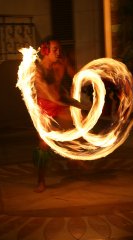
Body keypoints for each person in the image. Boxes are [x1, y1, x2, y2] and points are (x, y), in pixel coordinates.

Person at [33, 36, 88, 192]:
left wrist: (67, 64)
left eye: (59, 49)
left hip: (59, 105)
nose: (58, 52)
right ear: (45, 50)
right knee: (43, 146)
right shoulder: (38, 70)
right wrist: (69, 102)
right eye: (54, 49)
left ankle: (72, 159)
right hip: (44, 110)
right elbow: (48, 91)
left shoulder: (60, 65)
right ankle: (40, 180)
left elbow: (75, 77)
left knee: (80, 125)